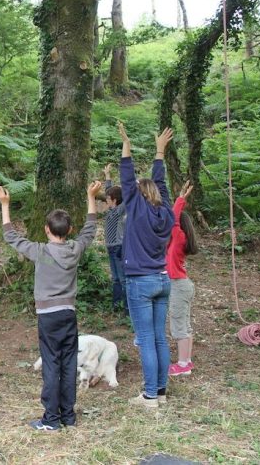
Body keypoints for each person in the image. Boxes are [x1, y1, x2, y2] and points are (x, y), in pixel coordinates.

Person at [0, 182, 100, 431]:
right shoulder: (75, 248)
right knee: (68, 364)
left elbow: (11, 236)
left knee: (52, 365)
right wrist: (90, 198)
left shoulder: (40, 251)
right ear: (70, 230)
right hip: (68, 314)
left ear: (45, 230)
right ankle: (68, 416)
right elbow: (90, 230)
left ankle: (51, 419)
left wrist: (5, 205)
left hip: (47, 316)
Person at [118, 123, 175, 408]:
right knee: (159, 338)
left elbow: (127, 178)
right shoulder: (165, 212)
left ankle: (150, 395)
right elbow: (160, 183)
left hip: (140, 281)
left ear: (138, 194)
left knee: (146, 339)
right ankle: (160, 390)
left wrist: (127, 145)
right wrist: (159, 151)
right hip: (163, 280)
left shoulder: (137, 207)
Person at [167, 181, 199, 376]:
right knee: (184, 325)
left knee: (179, 326)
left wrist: (180, 199)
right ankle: (186, 361)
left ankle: (182, 364)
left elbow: (172, 219)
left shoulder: (178, 237)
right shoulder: (177, 241)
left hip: (179, 286)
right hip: (182, 284)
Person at [103, 163, 128, 314]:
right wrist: (107, 176)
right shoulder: (111, 209)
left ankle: (126, 308)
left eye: (108, 198)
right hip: (110, 247)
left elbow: (127, 197)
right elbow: (109, 191)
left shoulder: (119, 210)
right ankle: (116, 306)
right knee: (115, 279)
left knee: (123, 279)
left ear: (115, 200)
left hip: (118, 247)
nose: (105, 200)